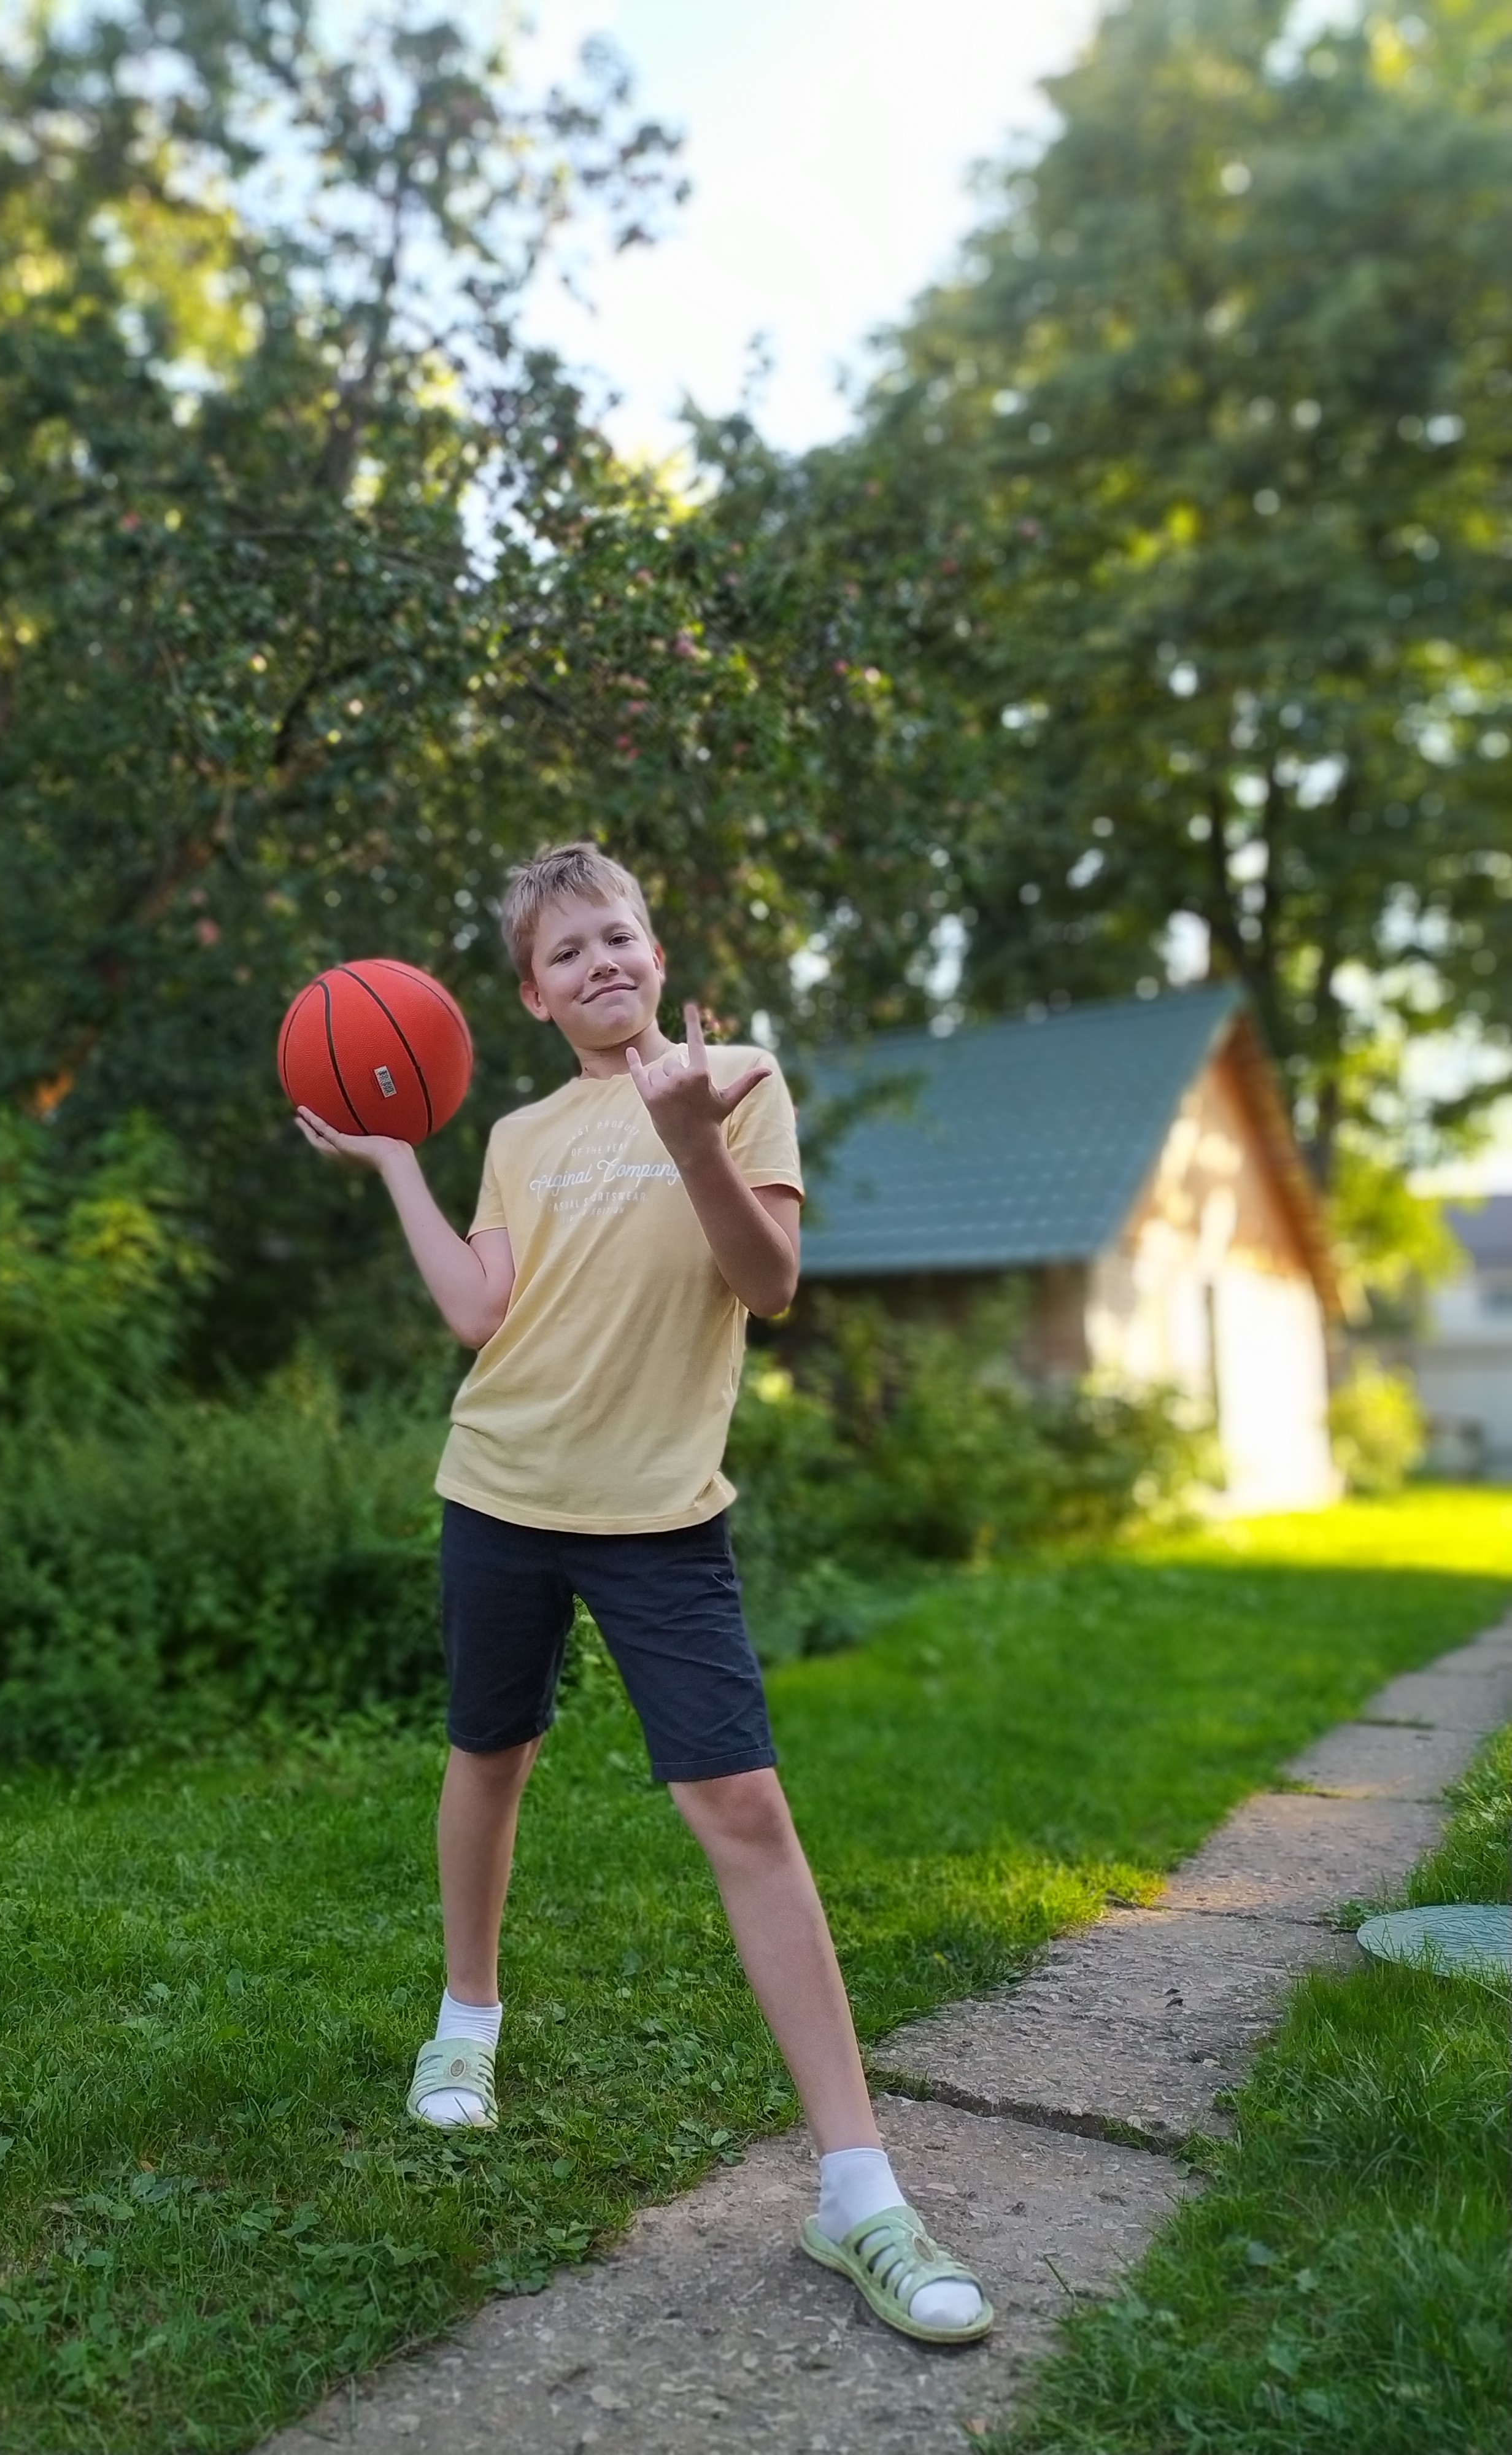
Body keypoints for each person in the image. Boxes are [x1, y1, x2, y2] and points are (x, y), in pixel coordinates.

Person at [294, 841, 992, 2345]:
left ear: (658, 957)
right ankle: (465, 2026)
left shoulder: (736, 1080)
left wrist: (691, 1140)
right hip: (498, 1490)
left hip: (660, 1518)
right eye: (568, 952)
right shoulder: (521, 1136)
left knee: (743, 1806)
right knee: (491, 1754)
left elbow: (770, 1280)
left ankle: (858, 2191)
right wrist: (399, 1161)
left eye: (621, 935)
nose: (601, 960)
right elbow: (483, 1315)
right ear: (533, 995)